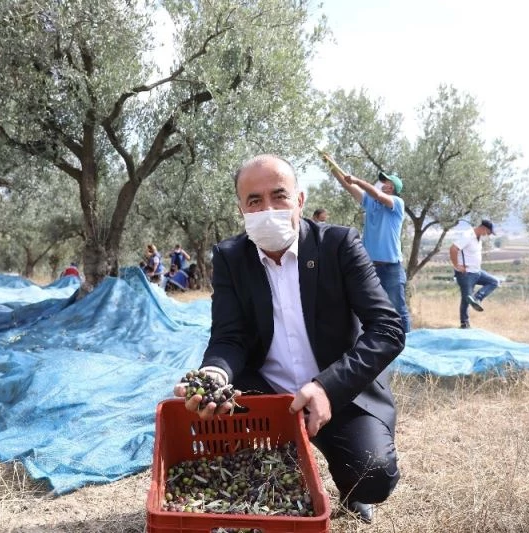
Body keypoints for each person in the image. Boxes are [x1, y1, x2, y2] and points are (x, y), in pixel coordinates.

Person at [173, 154, 406, 523]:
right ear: (241, 210)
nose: (267, 208)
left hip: (338, 391)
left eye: (278, 196)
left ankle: (350, 487)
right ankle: (282, 467)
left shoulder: (339, 245)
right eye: (254, 201)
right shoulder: (231, 257)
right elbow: (228, 337)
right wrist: (215, 374)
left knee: (372, 476)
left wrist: (328, 387)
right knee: (244, 474)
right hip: (263, 392)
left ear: (299, 201)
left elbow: (388, 329)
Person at [330, 168, 411, 332]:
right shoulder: (370, 203)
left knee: (398, 308)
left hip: (391, 268)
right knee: (369, 307)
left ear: (392, 187)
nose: (383, 184)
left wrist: (358, 180)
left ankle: (409, 345)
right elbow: (349, 186)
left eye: (386, 182)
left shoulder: (396, 203)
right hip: (370, 266)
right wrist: (332, 167)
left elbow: (378, 195)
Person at [449, 219, 500, 329]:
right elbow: (453, 248)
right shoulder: (468, 235)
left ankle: (477, 298)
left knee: (494, 282)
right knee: (466, 298)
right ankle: (464, 324)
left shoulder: (478, 238)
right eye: (489, 232)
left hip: (477, 272)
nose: (488, 235)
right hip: (466, 274)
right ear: (484, 228)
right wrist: (457, 265)